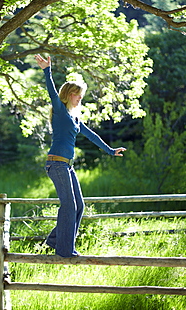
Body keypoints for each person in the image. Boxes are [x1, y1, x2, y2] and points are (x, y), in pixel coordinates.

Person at [35, 54, 126, 258]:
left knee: (79, 206)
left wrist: (111, 151)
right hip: (56, 164)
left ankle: (54, 241)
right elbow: (51, 92)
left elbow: (92, 136)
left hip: (67, 166)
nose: (80, 98)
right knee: (69, 205)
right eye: (77, 94)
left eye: (81, 95)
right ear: (68, 95)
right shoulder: (59, 110)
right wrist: (46, 70)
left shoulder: (75, 119)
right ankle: (65, 251)